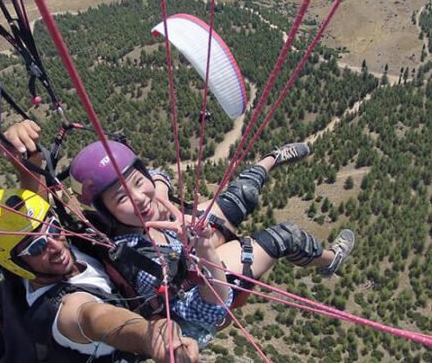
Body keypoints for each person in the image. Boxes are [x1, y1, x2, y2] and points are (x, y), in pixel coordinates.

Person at [68, 139, 355, 346]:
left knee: (242, 194)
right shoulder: (139, 262)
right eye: (122, 197)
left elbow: (157, 176)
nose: (140, 198)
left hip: (184, 243)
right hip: (198, 281)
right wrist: (205, 248)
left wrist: (163, 195)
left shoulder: (147, 206)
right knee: (284, 237)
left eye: (138, 181)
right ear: (107, 211)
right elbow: (209, 310)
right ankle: (331, 260)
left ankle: (272, 157)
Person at [0, 187, 201, 363]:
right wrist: (148, 335)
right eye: (36, 247)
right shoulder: (62, 310)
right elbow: (95, 319)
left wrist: (26, 157)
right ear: (14, 263)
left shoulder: (53, 255)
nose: (55, 246)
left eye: (53, 227)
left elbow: (31, 203)